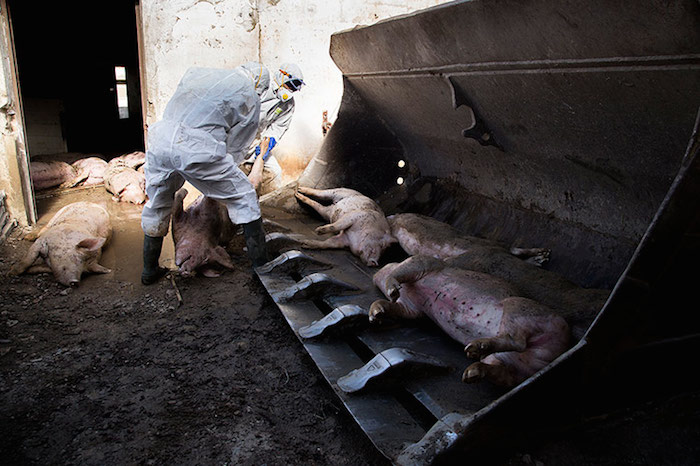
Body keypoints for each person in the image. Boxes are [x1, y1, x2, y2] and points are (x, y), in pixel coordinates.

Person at [140, 63, 271, 285]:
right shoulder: (251, 95)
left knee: (158, 204)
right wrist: (222, 178)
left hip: (161, 138)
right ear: (259, 85)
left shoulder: (199, 71)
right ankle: (262, 268)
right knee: (245, 198)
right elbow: (237, 146)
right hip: (197, 146)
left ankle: (149, 270)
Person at [240, 63, 304, 194]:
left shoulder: (288, 104)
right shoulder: (262, 85)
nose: (291, 90)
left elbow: (278, 127)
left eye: (294, 88)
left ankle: (265, 204)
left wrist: (266, 146)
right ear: (282, 76)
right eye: (290, 85)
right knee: (226, 171)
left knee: (275, 171)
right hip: (237, 137)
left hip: (256, 141)